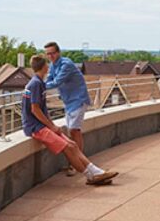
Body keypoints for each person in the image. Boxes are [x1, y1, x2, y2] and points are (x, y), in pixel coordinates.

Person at [22, 56, 117, 185]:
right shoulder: (36, 84)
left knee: (73, 145)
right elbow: (35, 109)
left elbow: (41, 109)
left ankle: (97, 172)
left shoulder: (38, 83)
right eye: (47, 65)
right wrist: (51, 126)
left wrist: (52, 126)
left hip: (42, 125)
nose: (49, 67)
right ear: (44, 67)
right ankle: (90, 176)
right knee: (67, 147)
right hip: (36, 128)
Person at [43, 41, 90, 176]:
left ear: (58, 52)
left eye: (52, 53)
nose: (50, 56)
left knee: (74, 130)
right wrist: (41, 83)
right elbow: (50, 79)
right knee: (72, 132)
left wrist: (38, 86)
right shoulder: (53, 65)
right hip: (69, 102)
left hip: (78, 99)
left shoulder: (66, 64)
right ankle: (77, 161)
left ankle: (78, 163)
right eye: (48, 54)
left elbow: (57, 82)